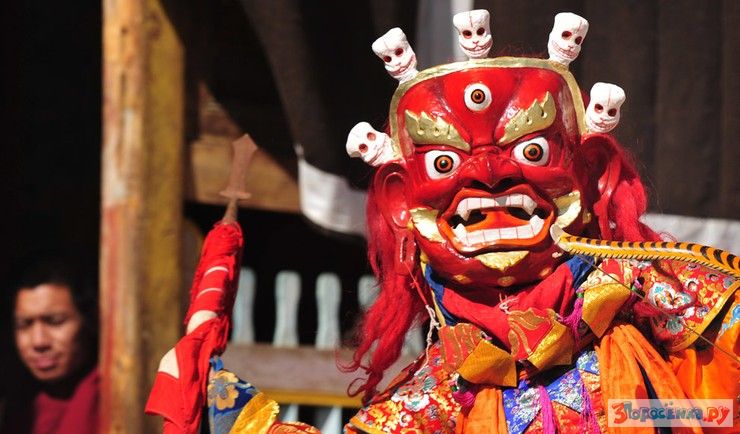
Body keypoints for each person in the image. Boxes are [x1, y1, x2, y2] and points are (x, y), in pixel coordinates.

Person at [146, 9, 739, 433]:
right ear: (404, 206)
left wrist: (653, 413)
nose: (489, 178)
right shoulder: (448, 385)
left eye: (530, 152)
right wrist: (222, 404)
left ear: (586, 175)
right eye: (445, 165)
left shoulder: (647, 286)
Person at [0, 256, 99, 434]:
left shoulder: (110, 394)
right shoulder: (18, 403)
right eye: (24, 325)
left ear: (90, 321)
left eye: (55, 321)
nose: (39, 342)